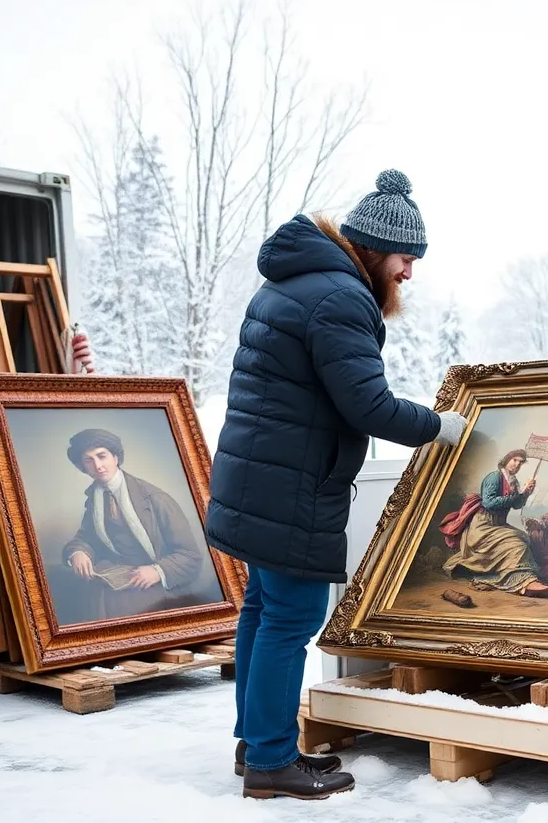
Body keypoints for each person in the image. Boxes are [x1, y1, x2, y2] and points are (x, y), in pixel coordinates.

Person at [204, 169, 468, 801]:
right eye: (406, 259)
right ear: (375, 250)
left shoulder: (294, 283)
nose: (409, 273)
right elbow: (368, 406)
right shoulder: (340, 297)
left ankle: (257, 742)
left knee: (263, 609)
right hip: (292, 483)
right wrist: (440, 425)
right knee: (292, 617)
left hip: (259, 476)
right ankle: (270, 761)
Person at [57, 428, 218, 623]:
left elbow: (190, 556)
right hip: (116, 579)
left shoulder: (155, 499)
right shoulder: (95, 497)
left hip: (153, 586)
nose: (98, 465)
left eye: (102, 456)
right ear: (82, 466)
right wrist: (78, 552)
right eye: (89, 460)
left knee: (122, 609)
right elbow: (86, 537)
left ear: (116, 457)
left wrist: (157, 571)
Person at [437, 449, 548, 597]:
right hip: (483, 526)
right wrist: (519, 494)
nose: (517, 464)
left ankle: (526, 577)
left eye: (520, 462)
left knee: (524, 537)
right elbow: (489, 503)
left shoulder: (513, 481)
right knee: (516, 544)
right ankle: (524, 583)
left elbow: (517, 505)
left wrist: (526, 493)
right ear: (506, 460)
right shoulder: (494, 477)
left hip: (498, 525)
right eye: (514, 460)